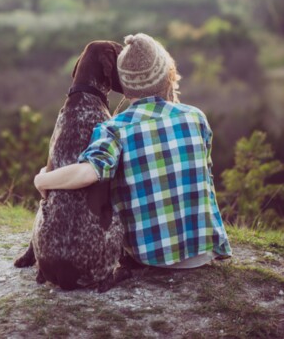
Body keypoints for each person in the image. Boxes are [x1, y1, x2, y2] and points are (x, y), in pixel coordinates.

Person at [34, 33, 231, 269]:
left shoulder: (114, 129)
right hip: (203, 251)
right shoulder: (196, 117)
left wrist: (42, 178)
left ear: (124, 87)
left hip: (150, 257)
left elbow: (87, 174)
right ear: (168, 77)